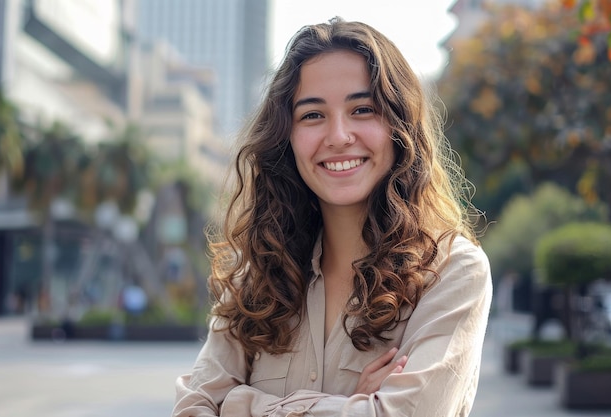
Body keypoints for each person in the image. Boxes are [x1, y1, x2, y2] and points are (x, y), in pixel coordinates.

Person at [173, 17, 492, 417]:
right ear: (286, 136)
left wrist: (240, 404)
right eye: (312, 115)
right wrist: (349, 406)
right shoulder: (254, 276)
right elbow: (193, 408)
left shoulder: (451, 273)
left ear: (399, 127)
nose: (339, 136)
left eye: (362, 109)